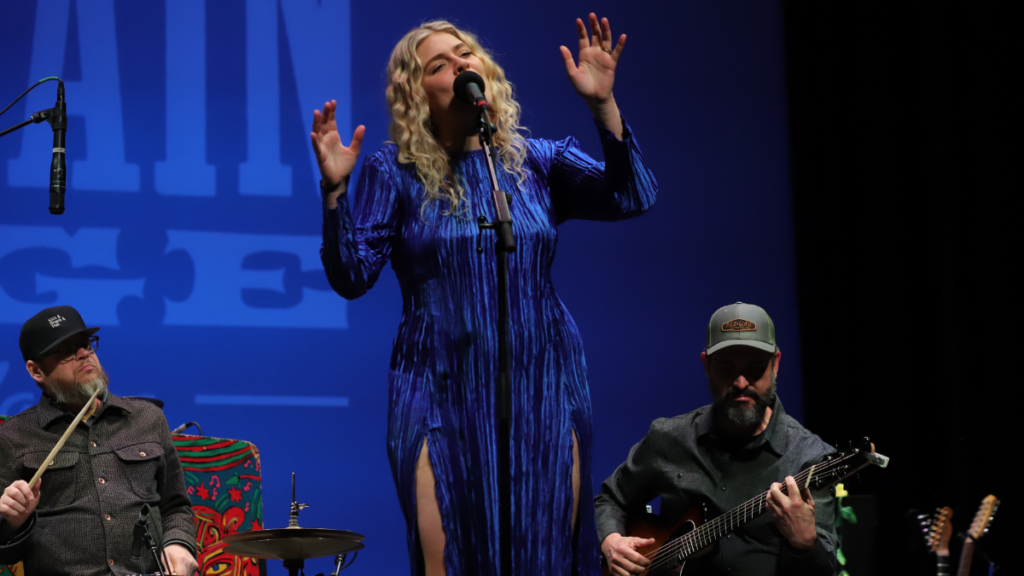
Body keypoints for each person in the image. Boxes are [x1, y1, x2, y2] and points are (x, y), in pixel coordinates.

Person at [314, 14, 656, 576]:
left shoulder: (537, 163)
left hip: (543, 388)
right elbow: (351, 276)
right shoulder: (393, 173)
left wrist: (603, 107)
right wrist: (334, 195)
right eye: (439, 64)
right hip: (436, 391)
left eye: (465, 53)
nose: (460, 65)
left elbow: (634, 194)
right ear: (415, 92)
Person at [595, 302, 839, 576]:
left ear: (776, 365)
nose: (741, 381)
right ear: (706, 365)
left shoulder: (810, 458)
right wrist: (611, 541)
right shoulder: (668, 438)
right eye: (726, 367)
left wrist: (805, 543)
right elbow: (610, 500)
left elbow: (824, 570)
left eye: (755, 367)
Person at [0, 306, 198, 576]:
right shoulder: (13, 437)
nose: (83, 353)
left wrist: (179, 543)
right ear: (36, 371)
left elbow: (176, 505)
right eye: (67, 351)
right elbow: (4, 549)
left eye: (86, 345)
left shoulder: (147, 419)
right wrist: (14, 523)